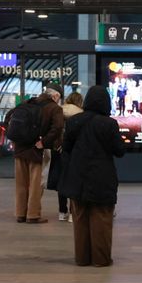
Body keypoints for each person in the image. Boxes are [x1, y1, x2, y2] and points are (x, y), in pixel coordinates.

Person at [59, 86, 125, 267]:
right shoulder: (109, 124)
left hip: (77, 177)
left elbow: (66, 149)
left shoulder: (74, 122)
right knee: (101, 219)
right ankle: (101, 259)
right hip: (102, 178)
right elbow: (119, 151)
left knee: (80, 220)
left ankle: (82, 258)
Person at [4, 83, 65, 224]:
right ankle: (33, 214)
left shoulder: (28, 102)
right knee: (35, 184)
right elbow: (58, 128)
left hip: (20, 149)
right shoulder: (54, 108)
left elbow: (8, 117)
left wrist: (14, 137)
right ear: (55, 96)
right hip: (36, 150)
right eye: (59, 98)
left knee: (21, 183)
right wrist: (44, 142)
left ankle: (20, 213)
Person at [52, 91, 83, 222]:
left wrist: (57, 144)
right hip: (75, 151)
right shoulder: (81, 113)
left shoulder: (59, 110)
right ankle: (72, 213)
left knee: (62, 180)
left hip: (59, 150)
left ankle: (61, 211)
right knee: (74, 181)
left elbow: (55, 129)